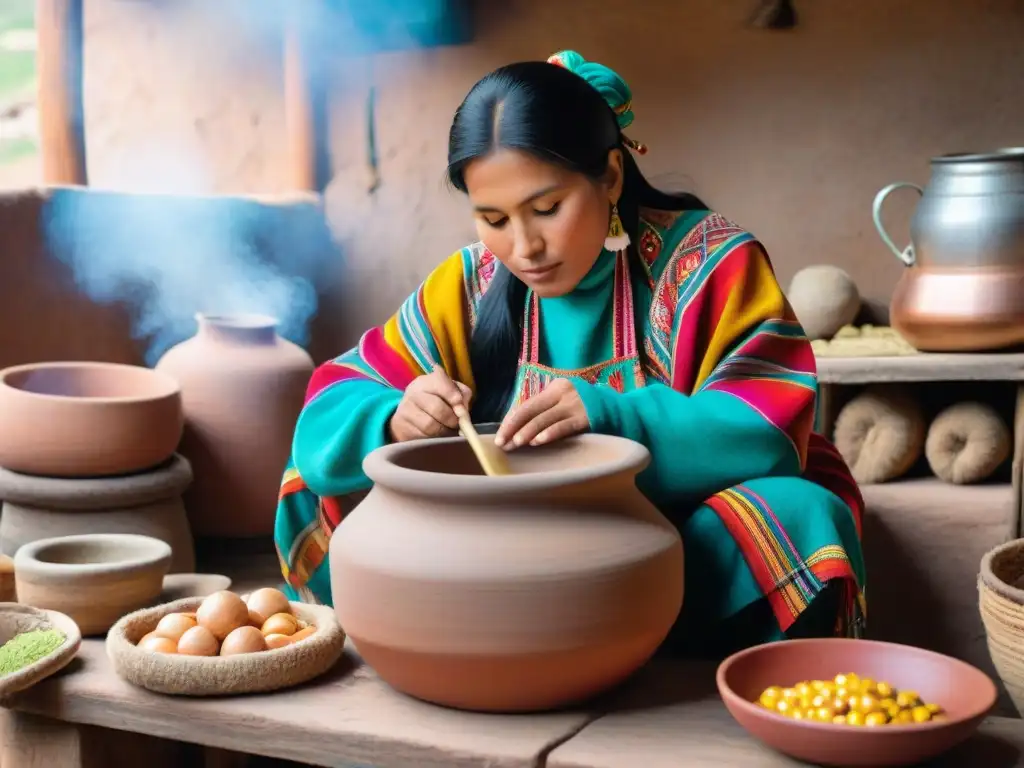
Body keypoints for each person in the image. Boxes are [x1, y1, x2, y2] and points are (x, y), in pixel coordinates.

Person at [274, 50, 866, 657]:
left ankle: (671, 668)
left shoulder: (707, 264)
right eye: (493, 217)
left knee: (797, 512)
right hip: (514, 559)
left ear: (610, 176)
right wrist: (393, 416)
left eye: (547, 209)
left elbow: (767, 431)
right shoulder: (470, 285)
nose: (524, 246)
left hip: (673, 557)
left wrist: (614, 419)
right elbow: (330, 411)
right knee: (316, 479)